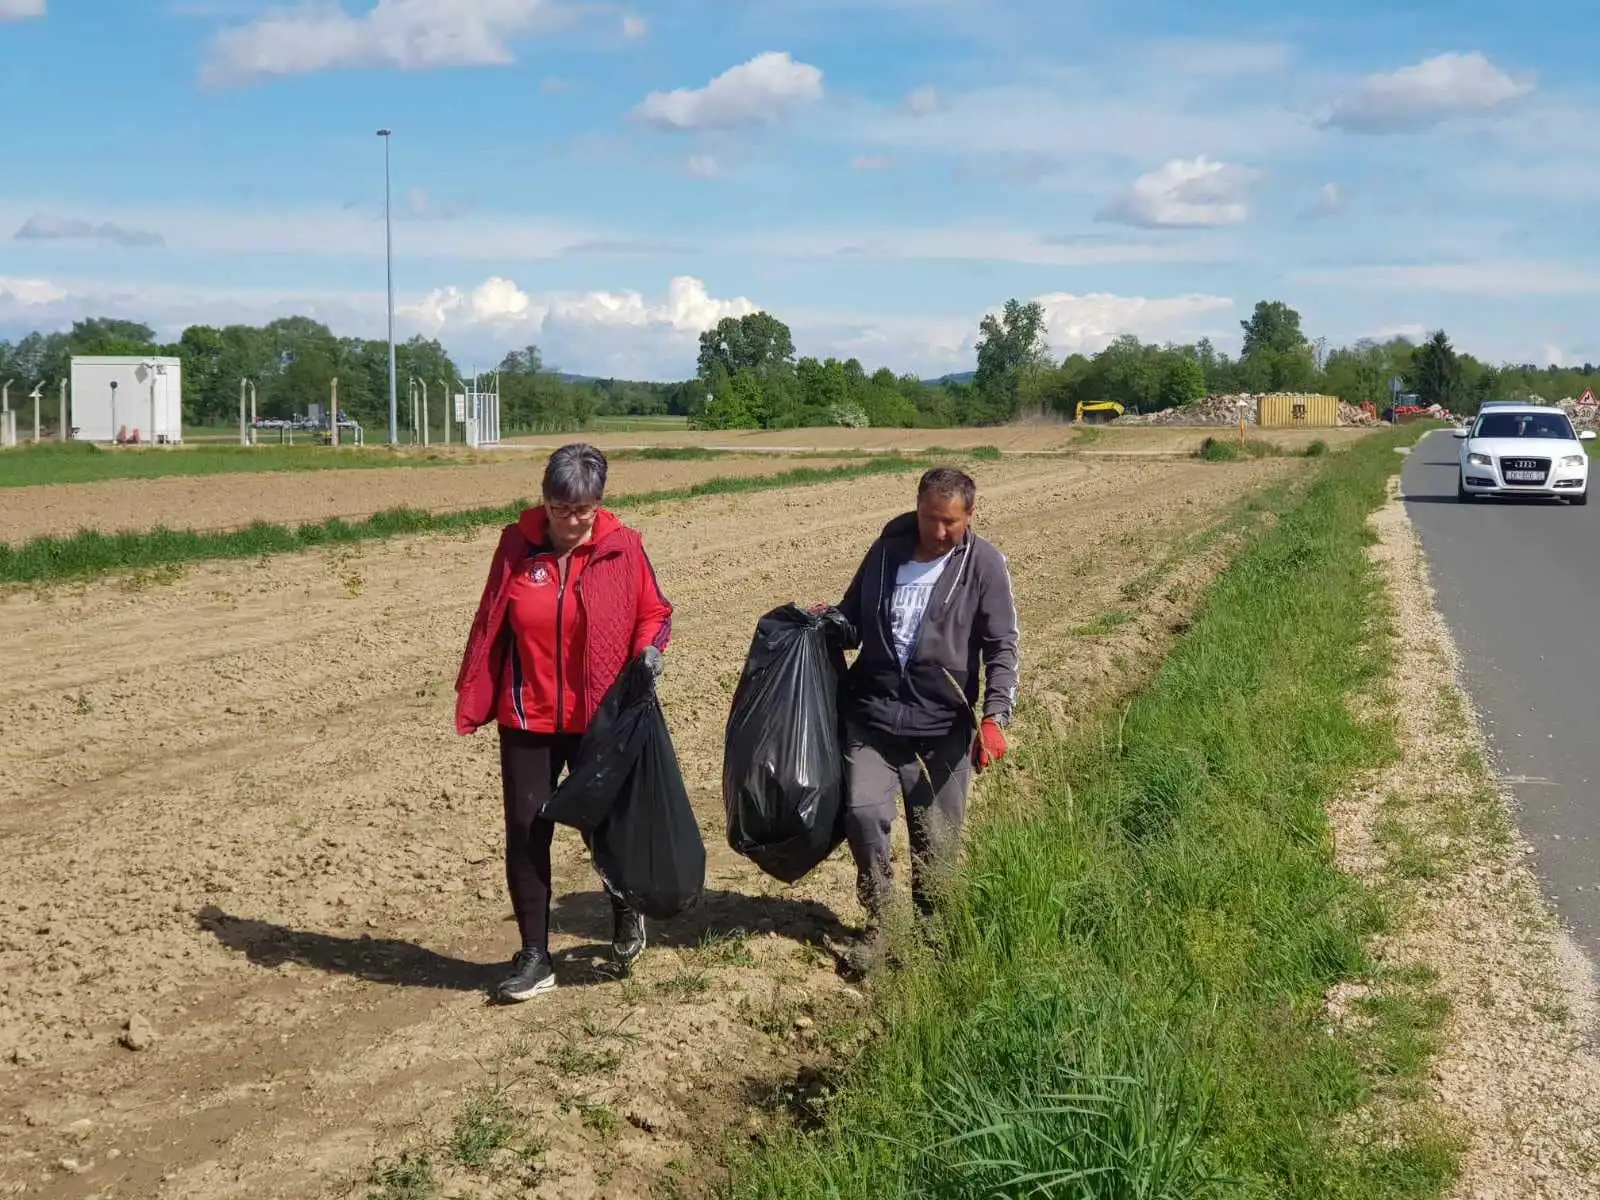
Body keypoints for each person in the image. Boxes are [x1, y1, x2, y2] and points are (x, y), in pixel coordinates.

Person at [454, 443, 673, 1002]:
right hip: (527, 714)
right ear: (544, 501)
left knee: (606, 824)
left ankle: (624, 910)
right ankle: (535, 955)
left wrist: (648, 651)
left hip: (600, 715)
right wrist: (477, 688)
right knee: (527, 829)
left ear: (599, 502)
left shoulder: (624, 548)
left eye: (583, 510)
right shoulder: (516, 546)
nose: (571, 522)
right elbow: (490, 618)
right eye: (560, 509)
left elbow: (654, 611)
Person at [823, 465, 1019, 970]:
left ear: (970, 515)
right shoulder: (886, 552)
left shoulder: (984, 565)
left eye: (950, 521)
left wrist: (994, 717)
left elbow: (1002, 646)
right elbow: (853, 617)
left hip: (941, 729)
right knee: (863, 816)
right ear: (917, 507)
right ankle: (883, 927)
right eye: (930, 517)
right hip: (873, 718)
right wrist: (828, 623)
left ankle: (932, 944)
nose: (939, 531)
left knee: (936, 844)